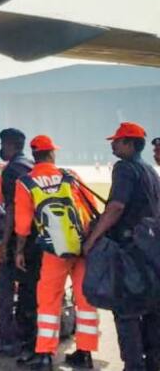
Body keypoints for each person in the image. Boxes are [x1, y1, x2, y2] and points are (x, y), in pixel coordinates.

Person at [14, 135, 99, 370]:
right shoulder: (69, 175)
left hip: (54, 248)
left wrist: (20, 251)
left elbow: (22, 223)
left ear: (34, 155)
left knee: (49, 301)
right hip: (81, 245)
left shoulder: (26, 182)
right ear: (52, 153)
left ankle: (45, 354)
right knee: (84, 299)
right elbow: (89, 205)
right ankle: (85, 351)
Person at [84, 122, 160, 371]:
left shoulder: (124, 168)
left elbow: (116, 206)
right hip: (150, 249)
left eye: (117, 141)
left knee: (126, 311)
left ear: (129, 143)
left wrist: (93, 238)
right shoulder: (150, 170)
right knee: (150, 310)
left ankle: (133, 365)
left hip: (128, 250)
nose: (112, 145)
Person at [0, 128, 36, 359]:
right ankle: (25, 336)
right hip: (35, 240)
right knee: (27, 290)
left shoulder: (12, 171)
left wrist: (4, 242)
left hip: (17, 238)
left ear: (9, 145)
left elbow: (13, 209)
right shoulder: (32, 166)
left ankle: (4, 339)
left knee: (2, 284)